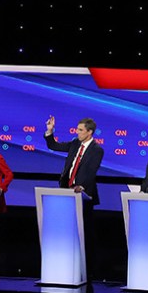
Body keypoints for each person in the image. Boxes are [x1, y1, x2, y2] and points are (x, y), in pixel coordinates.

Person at [44, 115, 103, 283]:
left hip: (83, 196)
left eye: (80, 130)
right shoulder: (75, 144)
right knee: (66, 230)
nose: (77, 132)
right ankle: (66, 266)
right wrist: (49, 131)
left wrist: (82, 186)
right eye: (77, 129)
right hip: (66, 193)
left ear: (90, 132)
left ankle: (86, 271)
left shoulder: (97, 150)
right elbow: (54, 145)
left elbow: (91, 171)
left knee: (84, 233)